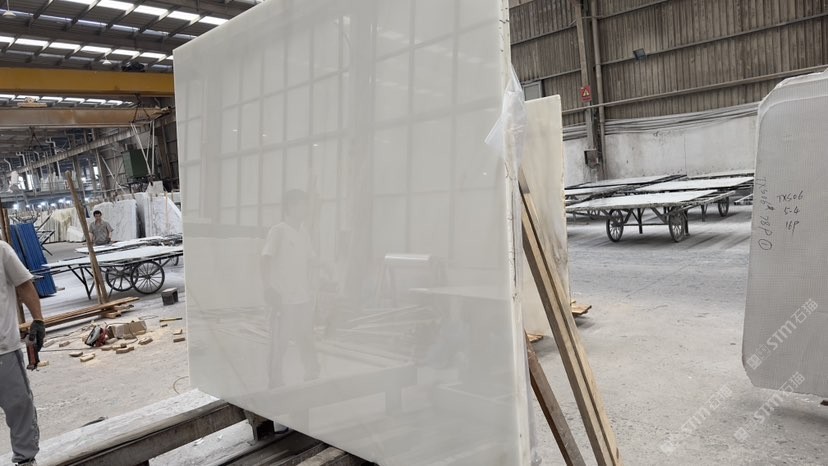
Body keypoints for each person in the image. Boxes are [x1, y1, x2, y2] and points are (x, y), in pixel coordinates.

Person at [261, 190, 320, 387]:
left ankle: (312, 373)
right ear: (290, 207)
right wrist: (268, 288)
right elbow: (265, 259)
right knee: (281, 341)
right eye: (301, 204)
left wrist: (325, 268)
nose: (305, 209)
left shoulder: (303, 232)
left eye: (306, 204)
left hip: (302, 296)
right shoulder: (279, 231)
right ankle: (275, 380)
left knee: (306, 336)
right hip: (283, 298)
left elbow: (311, 259)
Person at [0, 241, 45, 466]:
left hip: (3, 348)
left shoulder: (1, 250)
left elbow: (24, 284)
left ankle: (26, 460)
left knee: (18, 405)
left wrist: (38, 320)